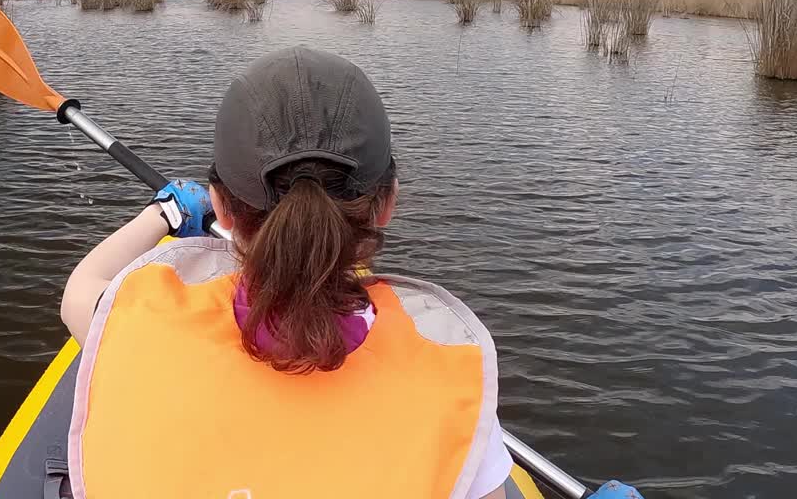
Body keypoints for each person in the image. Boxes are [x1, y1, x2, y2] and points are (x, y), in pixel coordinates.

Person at [60, 47, 643, 499]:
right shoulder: (446, 386)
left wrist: (165, 212)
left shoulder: (138, 330)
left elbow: (80, 294)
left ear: (222, 205)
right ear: (387, 203)